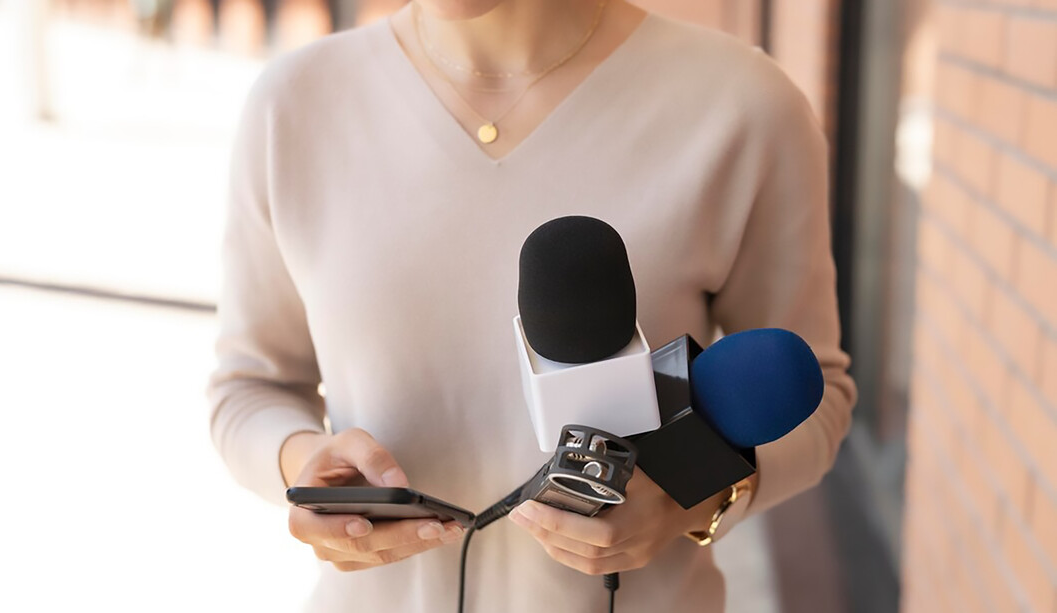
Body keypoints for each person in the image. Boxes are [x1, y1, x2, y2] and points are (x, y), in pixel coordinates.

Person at [207, 0, 857, 610]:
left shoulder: (744, 105)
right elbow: (250, 388)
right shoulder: (294, 103)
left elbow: (817, 395)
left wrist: (691, 496)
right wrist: (302, 464)